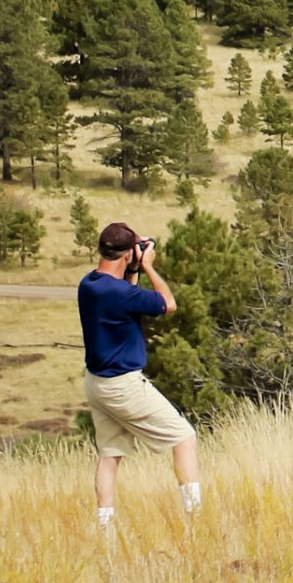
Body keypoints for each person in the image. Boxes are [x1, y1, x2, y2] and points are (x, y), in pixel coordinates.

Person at [76, 220, 201, 530]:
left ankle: (104, 527)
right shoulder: (120, 294)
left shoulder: (89, 285)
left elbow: (123, 294)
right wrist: (148, 266)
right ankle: (196, 516)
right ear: (127, 254)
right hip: (124, 385)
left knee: (110, 454)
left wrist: (132, 268)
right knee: (184, 437)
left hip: (96, 384)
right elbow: (167, 304)